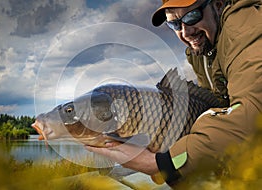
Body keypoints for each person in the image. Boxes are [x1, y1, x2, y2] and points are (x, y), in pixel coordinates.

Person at [85, 0, 262, 187]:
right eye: (175, 24)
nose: (185, 32)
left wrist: (161, 163)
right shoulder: (204, 48)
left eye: (192, 16)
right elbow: (220, 108)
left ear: (217, 4)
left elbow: (251, 114)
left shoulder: (245, 30)